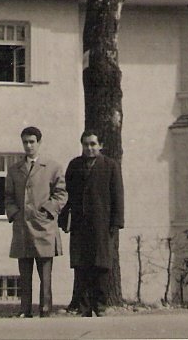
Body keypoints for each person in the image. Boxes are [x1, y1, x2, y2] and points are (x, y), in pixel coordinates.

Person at [58, 131, 124, 317]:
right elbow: (66, 194)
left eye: (93, 144)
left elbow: (118, 195)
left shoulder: (110, 166)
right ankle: (84, 306)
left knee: (101, 266)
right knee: (81, 266)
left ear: (100, 145)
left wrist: (117, 222)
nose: (89, 148)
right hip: (80, 224)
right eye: (86, 144)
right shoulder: (74, 165)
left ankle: (100, 305)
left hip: (103, 223)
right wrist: (64, 219)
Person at [4, 126, 68, 318]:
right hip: (22, 227)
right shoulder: (15, 169)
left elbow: (61, 194)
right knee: (25, 273)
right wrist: (15, 213)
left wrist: (47, 211)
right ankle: (25, 309)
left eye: (32, 142)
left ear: (39, 143)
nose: (29, 146)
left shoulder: (52, 167)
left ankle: (45, 309)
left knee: (45, 273)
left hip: (44, 227)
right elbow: (7, 196)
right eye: (25, 142)